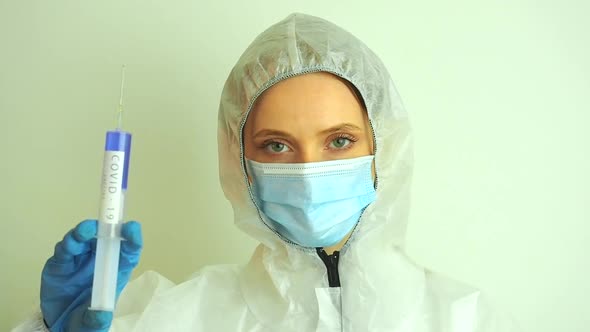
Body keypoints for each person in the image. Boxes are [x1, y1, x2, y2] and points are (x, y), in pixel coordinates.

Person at [13, 13, 517, 332]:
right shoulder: (173, 317)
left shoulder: (464, 317)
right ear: (239, 165)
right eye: (275, 145)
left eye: (339, 141)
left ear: (384, 147)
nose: (308, 170)